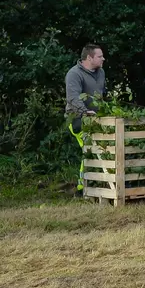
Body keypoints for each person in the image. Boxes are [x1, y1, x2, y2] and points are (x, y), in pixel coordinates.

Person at [64, 44, 107, 192]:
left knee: (100, 149)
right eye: (100, 56)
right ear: (89, 57)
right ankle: (84, 186)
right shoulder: (74, 74)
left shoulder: (101, 72)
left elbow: (101, 95)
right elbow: (73, 97)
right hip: (78, 119)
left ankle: (97, 183)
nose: (103, 59)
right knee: (91, 149)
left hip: (97, 119)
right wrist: (84, 112)